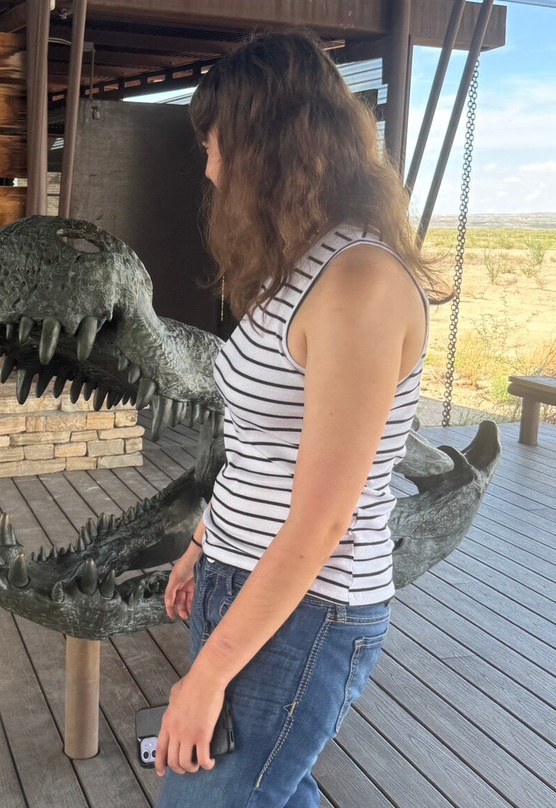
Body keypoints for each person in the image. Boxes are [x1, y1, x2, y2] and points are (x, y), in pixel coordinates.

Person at [154, 29, 440, 808]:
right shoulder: (300, 268)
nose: (208, 167)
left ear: (267, 146)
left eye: (215, 145)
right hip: (241, 581)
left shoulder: (360, 283)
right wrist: (203, 541)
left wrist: (205, 676)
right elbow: (258, 450)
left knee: (206, 801)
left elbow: (322, 521)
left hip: (308, 610)